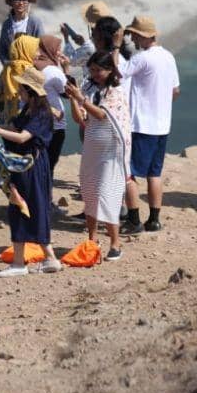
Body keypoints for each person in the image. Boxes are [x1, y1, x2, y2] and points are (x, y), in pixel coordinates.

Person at [0, 67, 62, 277]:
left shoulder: (41, 114)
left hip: (31, 165)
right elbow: (13, 129)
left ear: (30, 91)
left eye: (22, 88)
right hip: (25, 164)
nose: (19, 92)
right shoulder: (29, 109)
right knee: (27, 206)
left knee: (25, 206)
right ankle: (47, 258)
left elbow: (22, 137)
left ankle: (21, 263)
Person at [117, 16, 180, 234]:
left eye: (134, 35)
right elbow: (175, 91)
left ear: (142, 35)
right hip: (162, 125)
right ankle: (154, 220)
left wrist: (116, 47)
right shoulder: (168, 56)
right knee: (154, 173)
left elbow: (118, 75)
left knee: (128, 173)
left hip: (140, 125)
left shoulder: (142, 58)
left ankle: (134, 220)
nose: (133, 39)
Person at [65, 52, 130, 260]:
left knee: (107, 194)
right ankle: (92, 240)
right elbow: (80, 119)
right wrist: (73, 99)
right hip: (92, 147)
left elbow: (102, 114)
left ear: (109, 70)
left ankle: (115, 243)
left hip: (111, 150)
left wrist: (80, 98)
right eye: (91, 70)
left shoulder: (116, 91)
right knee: (90, 192)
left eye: (98, 70)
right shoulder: (89, 89)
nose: (94, 74)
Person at [33, 35, 68, 178]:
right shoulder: (53, 71)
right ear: (50, 49)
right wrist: (66, 69)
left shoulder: (33, 66)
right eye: (58, 49)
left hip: (36, 122)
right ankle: (45, 191)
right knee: (49, 165)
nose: (60, 52)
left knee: (39, 162)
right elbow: (68, 92)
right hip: (54, 124)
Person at [0, 0, 44, 65]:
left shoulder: (35, 22)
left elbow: (42, 47)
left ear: (28, 2)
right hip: (12, 68)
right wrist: (8, 64)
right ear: (11, 2)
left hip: (32, 67)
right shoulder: (7, 25)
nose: (21, 3)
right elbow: (2, 51)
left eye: (24, 0)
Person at [0, 34, 40, 122]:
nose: (39, 54)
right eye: (36, 50)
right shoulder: (27, 70)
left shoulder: (7, 69)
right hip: (26, 120)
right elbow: (38, 100)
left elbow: (2, 97)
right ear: (26, 50)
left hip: (11, 118)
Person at [61, 1, 112, 71]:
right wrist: (83, 43)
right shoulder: (114, 39)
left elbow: (71, 60)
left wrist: (66, 38)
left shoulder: (89, 47)